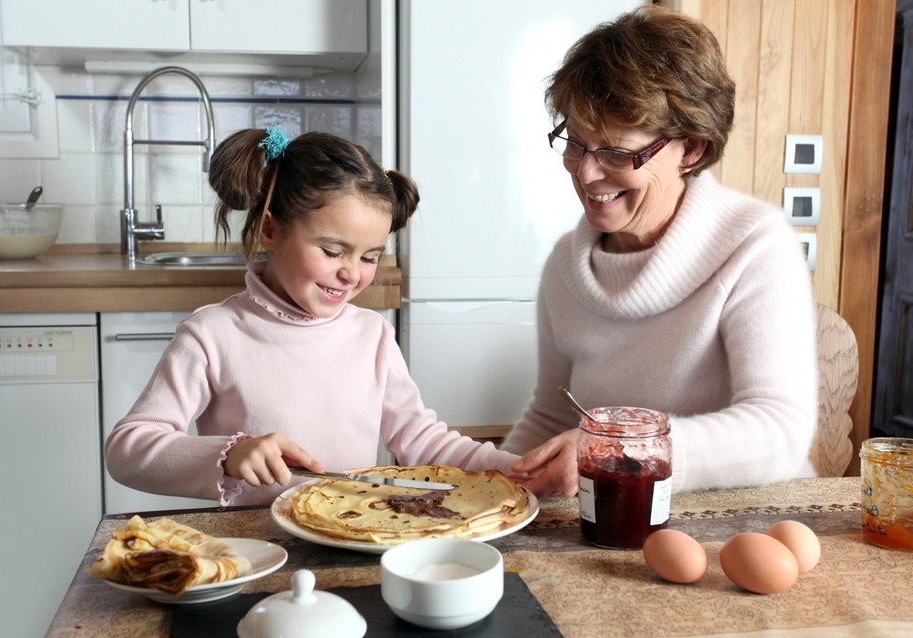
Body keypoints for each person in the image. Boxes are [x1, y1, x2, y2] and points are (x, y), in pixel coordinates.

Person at [105, 128, 519, 507]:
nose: (351, 272)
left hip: (353, 535)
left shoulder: (372, 335)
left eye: (369, 256)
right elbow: (128, 449)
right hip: (259, 548)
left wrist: (517, 469)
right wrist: (228, 454)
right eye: (332, 251)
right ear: (270, 230)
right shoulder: (212, 335)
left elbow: (421, 439)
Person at [501, 5, 818, 497]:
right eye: (576, 144)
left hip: (747, 520)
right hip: (617, 515)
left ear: (689, 148)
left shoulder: (755, 246)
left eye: (616, 152)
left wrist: (618, 449)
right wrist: (497, 487)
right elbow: (552, 413)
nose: (585, 173)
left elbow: (779, 430)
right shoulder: (566, 266)